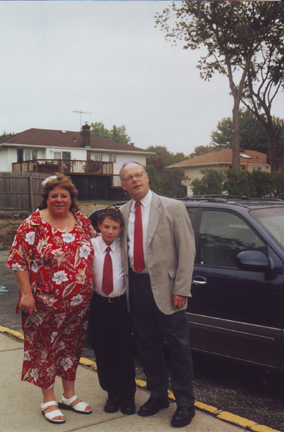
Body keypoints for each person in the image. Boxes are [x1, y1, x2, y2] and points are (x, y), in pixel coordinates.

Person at [6, 174, 96, 424]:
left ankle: (69, 395)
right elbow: (18, 260)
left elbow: (97, 249)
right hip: (43, 304)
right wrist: (26, 294)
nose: (58, 200)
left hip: (79, 305)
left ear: (71, 199)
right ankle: (48, 399)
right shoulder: (33, 223)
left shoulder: (81, 221)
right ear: (45, 198)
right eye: (53, 195)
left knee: (71, 347)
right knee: (45, 349)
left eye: (63, 196)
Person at [119, 161, 196, 428]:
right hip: (137, 288)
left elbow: (187, 249)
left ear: (147, 177)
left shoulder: (173, 207)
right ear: (123, 185)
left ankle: (185, 403)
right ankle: (159, 395)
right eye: (129, 177)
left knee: (178, 347)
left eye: (138, 174)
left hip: (168, 289)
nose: (135, 180)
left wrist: (181, 288)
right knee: (147, 345)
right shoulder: (122, 212)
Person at [88, 207, 136, 415]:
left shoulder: (125, 247)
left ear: (120, 229)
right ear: (99, 226)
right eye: (106, 226)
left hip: (119, 306)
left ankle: (128, 396)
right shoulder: (90, 246)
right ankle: (112, 394)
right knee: (104, 350)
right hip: (98, 305)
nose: (109, 231)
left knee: (123, 350)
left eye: (114, 228)